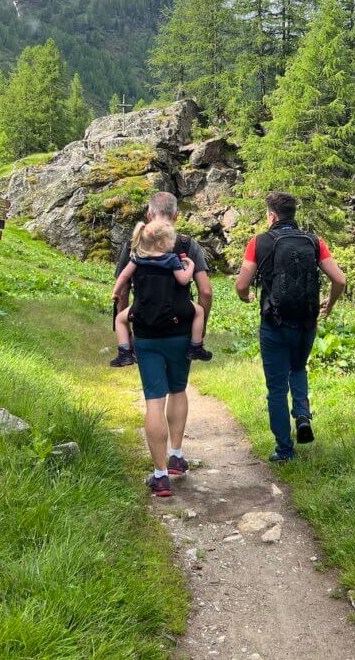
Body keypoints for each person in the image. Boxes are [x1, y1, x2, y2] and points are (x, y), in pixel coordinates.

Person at [234, 191, 346, 462]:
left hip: (274, 323)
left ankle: (285, 449)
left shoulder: (258, 242)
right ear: (293, 214)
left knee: (276, 388)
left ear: (271, 216)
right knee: (298, 368)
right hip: (306, 321)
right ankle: (303, 416)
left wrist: (246, 297)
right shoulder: (314, 241)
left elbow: (241, 284)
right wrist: (328, 306)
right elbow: (340, 280)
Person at [113, 192, 212, 497]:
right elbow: (205, 291)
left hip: (146, 332)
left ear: (149, 212)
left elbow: (122, 289)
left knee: (154, 399)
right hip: (180, 330)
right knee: (178, 390)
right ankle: (177, 458)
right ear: (176, 216)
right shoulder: (186, 245)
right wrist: (199, 326)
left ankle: (159, 477)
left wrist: (124, 326)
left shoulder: (135, 244)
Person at [111, 219, 212, 365]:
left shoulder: (137, 259)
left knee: (120, 319)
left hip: (142, 308)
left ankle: (125, 352)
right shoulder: (171, 259)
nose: (173, 242)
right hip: (171, 310)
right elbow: (183, 280)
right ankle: (196, 346)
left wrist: (115, 291)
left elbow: (124, 276)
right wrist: (191, 266)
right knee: (199, 312)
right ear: (160, 243)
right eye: (170, 240)